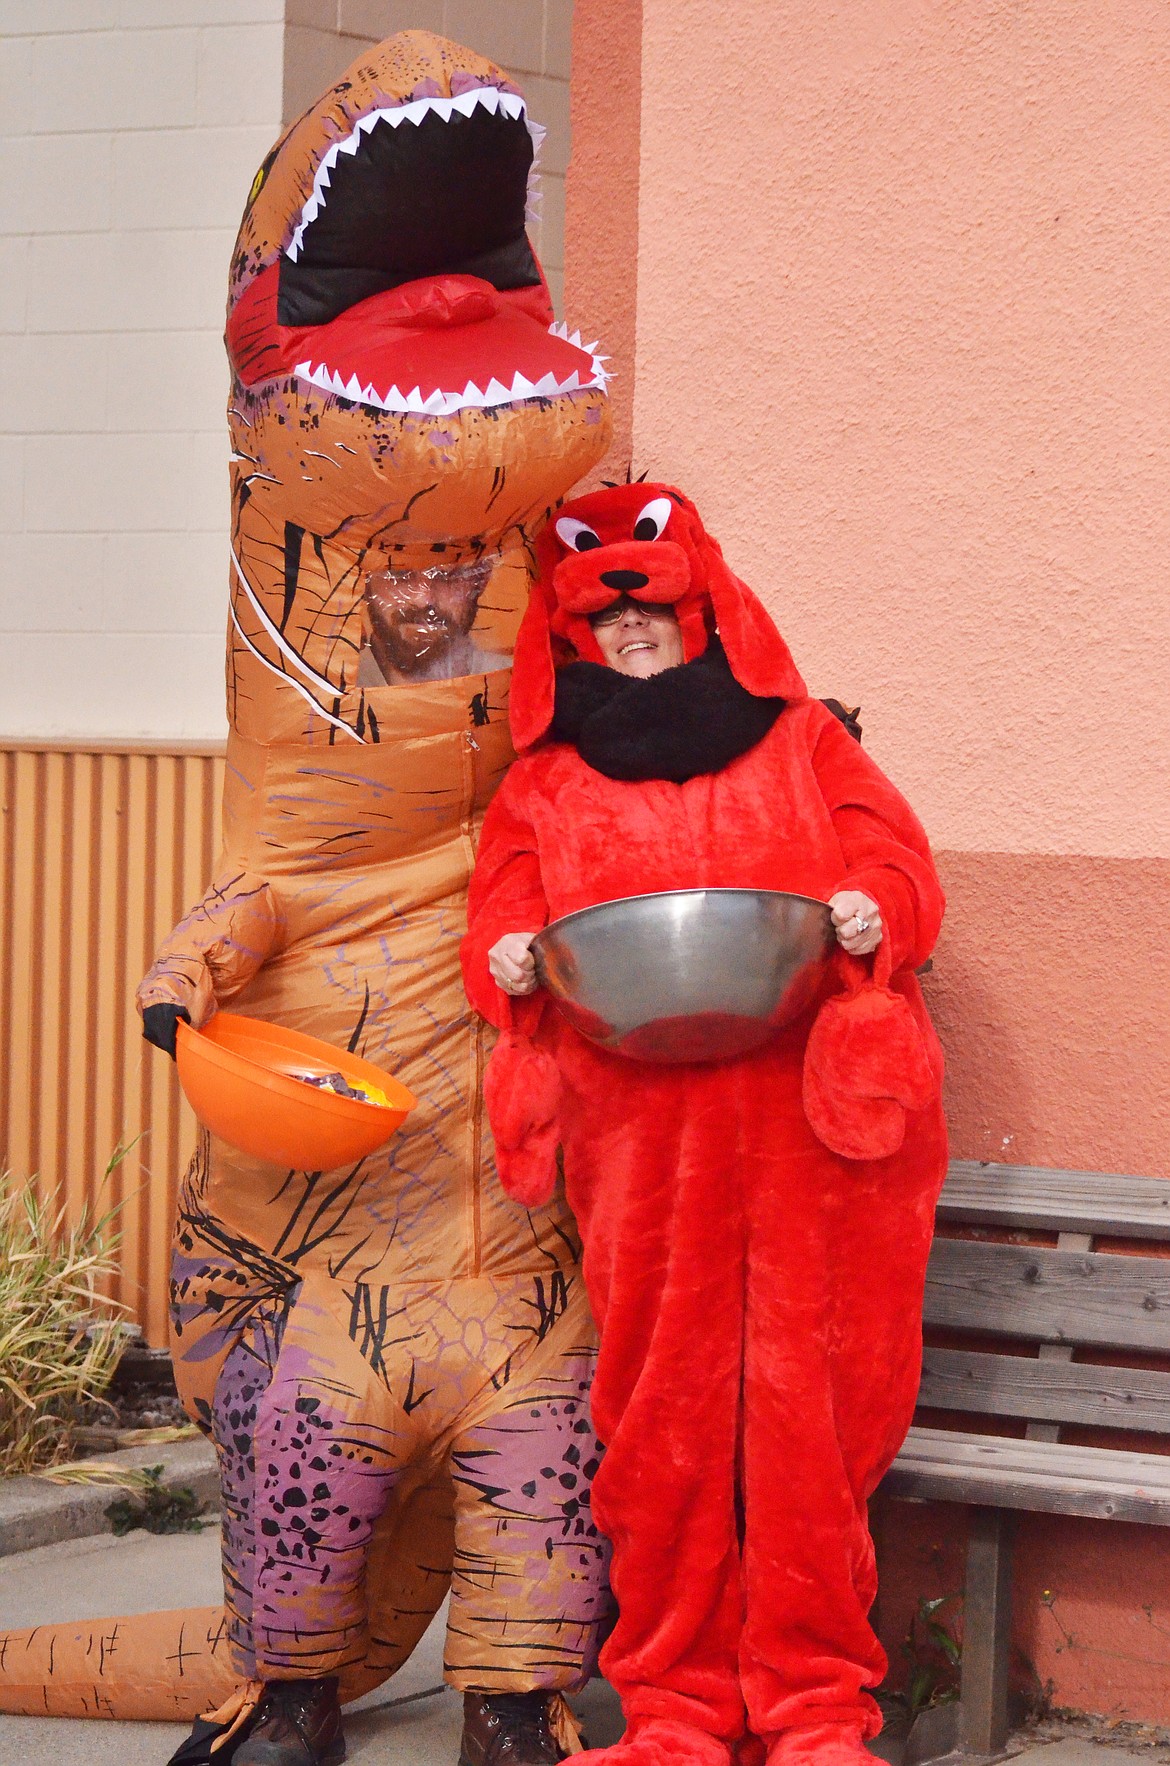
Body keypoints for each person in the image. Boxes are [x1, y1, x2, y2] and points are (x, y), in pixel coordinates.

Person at [461, 481, 948, 1766]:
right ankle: (674, 1708)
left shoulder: (803, 740)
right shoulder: (545, 782)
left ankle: (815, 1706)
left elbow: (896, 858)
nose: (631, 633)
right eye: (608, 625)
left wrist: (873, 908)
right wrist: (505, 957)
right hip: (643, 1134)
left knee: (811, 1423)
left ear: (703, 612)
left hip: (808, 1128)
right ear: (576, 638)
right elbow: (501, 913)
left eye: (653, 612)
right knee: (659, 1426)